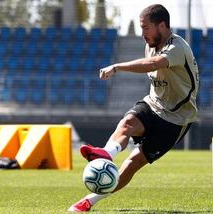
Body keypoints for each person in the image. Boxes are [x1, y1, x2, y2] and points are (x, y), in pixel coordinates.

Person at [69, 4, 199, 212]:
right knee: (127, 123)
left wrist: (117, 67)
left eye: (145, 28)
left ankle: (91, 200)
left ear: (162, 25)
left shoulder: (178, 47)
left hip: (176, 119)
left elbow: (152, 64)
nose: (142, 33)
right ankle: (106, 154)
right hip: (153, 104)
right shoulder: (150, 43)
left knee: (132, 163)